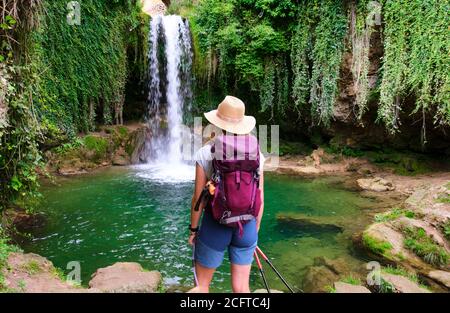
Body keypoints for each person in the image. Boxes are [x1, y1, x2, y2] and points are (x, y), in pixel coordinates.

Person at [188, 95, 265, 293]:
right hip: (246, 227)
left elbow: (199, 199)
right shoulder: (257, 154)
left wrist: (194, 230)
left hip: (216, 226)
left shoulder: (206, 153)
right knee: (241, 288)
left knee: (202, 286)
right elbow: (260, 198)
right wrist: (252, 234)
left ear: (218, 124)